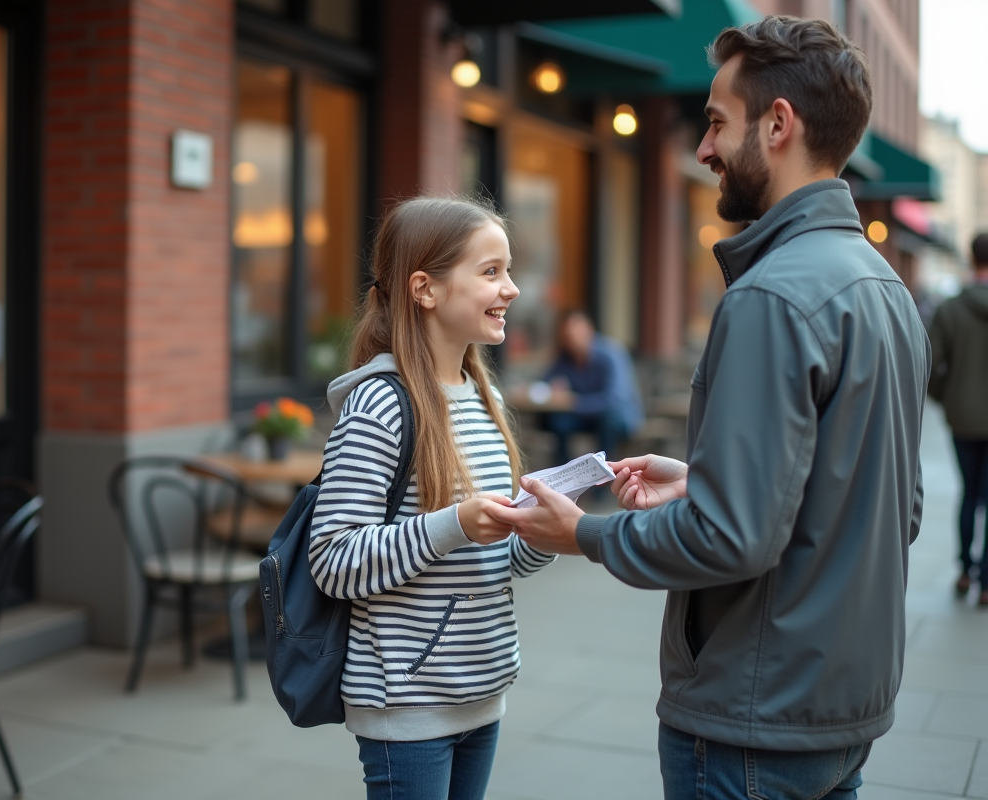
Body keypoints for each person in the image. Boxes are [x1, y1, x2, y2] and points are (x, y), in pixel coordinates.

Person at [485, 16, 930, 800]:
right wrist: (705, 477)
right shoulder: (885, 290)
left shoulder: (771, 296)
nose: (703, 148)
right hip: (843, 713)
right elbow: (890, 502)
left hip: (753, 718)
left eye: (718, 122)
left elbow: (733, 539)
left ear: (779, 124)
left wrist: (582, 533)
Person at [309, 196, 556, 800]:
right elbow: (333, 563)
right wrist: (454, 525)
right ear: (425, 289)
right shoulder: (379, 405)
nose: (513, 289)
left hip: (482, 692)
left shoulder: (481, 395)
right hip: (409, 708)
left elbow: (492, 560)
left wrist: (543, 533)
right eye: (491, 271)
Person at [928, 232, 988, 603]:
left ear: (970, 257)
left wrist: (947, 397)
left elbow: (930, 364)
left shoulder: (949, 309)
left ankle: (966, 570)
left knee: (968, 495)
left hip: (963, 416)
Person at [540, 310, 644, 464]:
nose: (572, 339)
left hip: (618, 418)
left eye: (575, 333)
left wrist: (575, 402)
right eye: (567, 335)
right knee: (557, 421)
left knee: (609, 419)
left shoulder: (611, 354)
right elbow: (546, 383)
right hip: (584, 417)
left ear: (589, 331)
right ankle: (563, 473)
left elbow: (615, 399)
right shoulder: (564, 358)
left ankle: (602, 476)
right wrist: (551, 389)